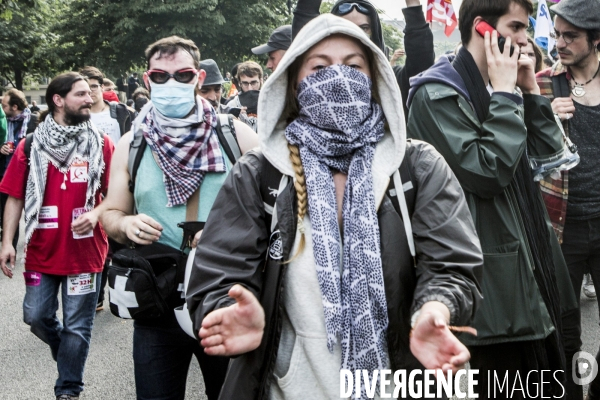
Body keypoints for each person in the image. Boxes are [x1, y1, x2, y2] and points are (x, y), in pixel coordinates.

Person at [186, 14, 483, 400]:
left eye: (354, 65)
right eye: (320, 66)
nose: (338, 77)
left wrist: (436, 309)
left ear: (375, 77)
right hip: (292, 387)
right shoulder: (261, 172)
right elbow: (219, 270)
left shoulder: (415, 166)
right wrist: (228, 308)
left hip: (399, 381)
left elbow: (453, 264)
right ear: (293, 81)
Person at [407, 0, 578, 397]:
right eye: (516, 27)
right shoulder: (437, 92)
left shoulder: (506, 86)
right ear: (484, 29)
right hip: (493, 290)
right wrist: (505, 95)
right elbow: (487, 172)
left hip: (533, 265)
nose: (526, 40)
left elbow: (550, 158)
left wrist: (530, 89)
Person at [99, 35, 258, 400]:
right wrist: (125, 224)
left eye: (183, 75)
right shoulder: (132, 142)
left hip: (224, 294)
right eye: (161, 75)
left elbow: (274, 210)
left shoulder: (236, 135)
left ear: (199, 78)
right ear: (146, 79)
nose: (172, 84)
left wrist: (229, 232)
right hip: (157, 300)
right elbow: (110, 212)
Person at [0, 72, 114, 400]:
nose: (90, 99)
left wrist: (96, 214)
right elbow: (15, 195)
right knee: (35, 316)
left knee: (79, 327)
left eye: (89, 93)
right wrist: (7, 241)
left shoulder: (101, 144)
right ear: (58, 100)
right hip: (41, 250)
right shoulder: (31, 145)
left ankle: (68, 389)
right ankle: (68, 353)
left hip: (86, 253)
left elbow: (116, 195)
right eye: (80, 94)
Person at [536, 0, 600, 398]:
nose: (559, 43)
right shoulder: (542, 83)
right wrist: (543, 116)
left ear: (596, 39)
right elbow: (516, 153)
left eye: (570, 36)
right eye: (557, 34)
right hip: (563, 227)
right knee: (565, 330)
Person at [292, 0, 435, 117]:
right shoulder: (318, 79)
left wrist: (413, 4)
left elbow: (421, 63)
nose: (355, 35)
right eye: (346, 27)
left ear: (374, 34)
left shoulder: (390, 81)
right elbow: (303, 44)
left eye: (364, 28)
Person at [1, 88, 38, 251]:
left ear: (14, 106)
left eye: (4, 106)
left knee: (34, 214)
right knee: (7, 213)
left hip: (31, 176)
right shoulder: (3, 122)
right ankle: (10, 247)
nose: (2, 109)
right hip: (5, 174)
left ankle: (35, 246)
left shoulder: (35, 121)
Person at [79, 66, 135, 145]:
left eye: (94, 86)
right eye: (86, 87)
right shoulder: (74, 117)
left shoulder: (123, 112)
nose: (90, 91)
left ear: (102, 87)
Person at [226, 61, 263, 132]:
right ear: (239, 83)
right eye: (245, 83)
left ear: (261, 81)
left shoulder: (271, 103)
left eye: (254, 83)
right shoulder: (232, 106)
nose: (250, 88)